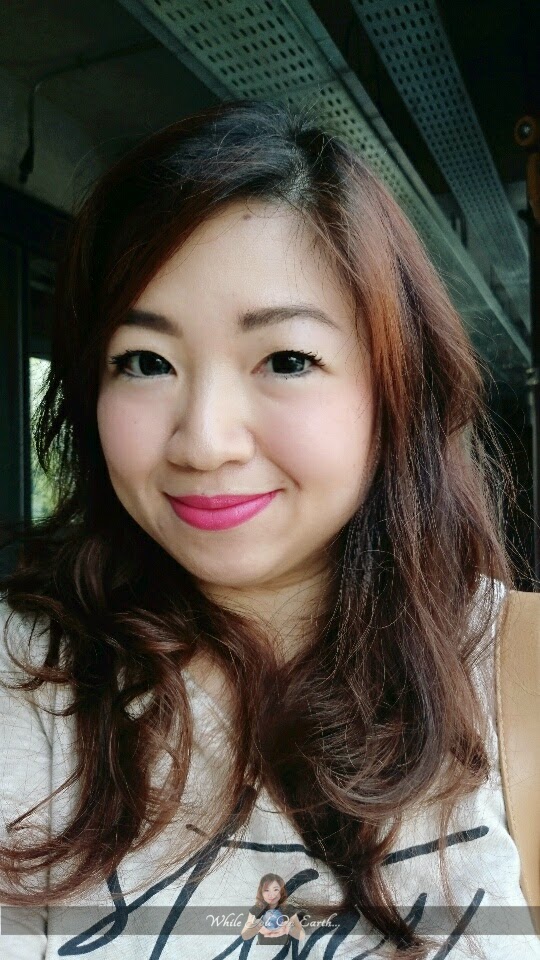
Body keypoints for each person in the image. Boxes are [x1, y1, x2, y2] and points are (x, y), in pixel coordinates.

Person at [0, 98, 537, 960]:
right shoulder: (21, 683)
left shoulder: (520, 679)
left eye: (287, 360)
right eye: (145, 362)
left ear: (394, 388)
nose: (204, 442)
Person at [241, 873, 305, 946]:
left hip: (284, 949)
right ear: (261, 892)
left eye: (275, 889)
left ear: (281, 891)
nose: (271, 894)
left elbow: (302, 936)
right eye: (266, 890)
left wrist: (290, 928)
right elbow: (244, 936)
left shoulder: (288, 909)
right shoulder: (257, 909)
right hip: (262, 949)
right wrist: (255, 927)